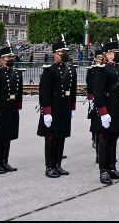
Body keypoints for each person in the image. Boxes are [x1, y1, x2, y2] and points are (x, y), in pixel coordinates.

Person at [38, 39, 77, 178]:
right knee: (51, 138)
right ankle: (50, 166)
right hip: (53, 108)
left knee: (61, 136)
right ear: (55, 54)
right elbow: (44, 93)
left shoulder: (71, 70)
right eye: (61, 52)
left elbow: (72, 91)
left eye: (65, 52)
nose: (64, 54)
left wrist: (72, 107)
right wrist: (46, 112)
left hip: (65, 107)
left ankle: (58, 164)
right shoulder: (49, 71)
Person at [94, 41, 119, 185]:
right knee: (104, 139)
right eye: (114, 52)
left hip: (118, 107)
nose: (117, 54)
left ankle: (112, 167)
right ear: (107, 54)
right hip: (107, 108)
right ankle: (103, 170)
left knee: (114, 137)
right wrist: (103, 112)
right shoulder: (102, 70)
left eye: (117, 52)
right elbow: (98, 93)